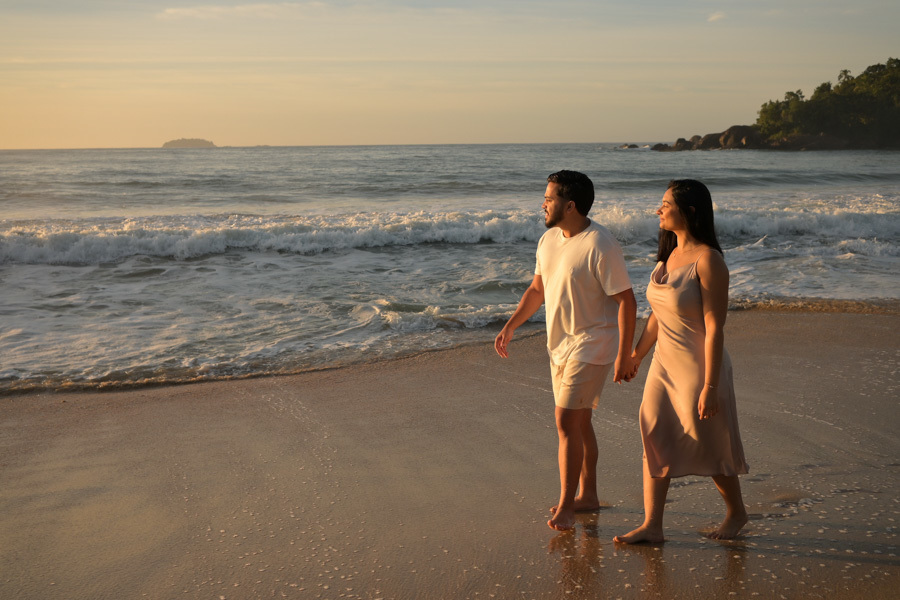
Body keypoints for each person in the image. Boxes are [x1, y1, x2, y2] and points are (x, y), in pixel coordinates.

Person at [495, 170, 637, 532]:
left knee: (565, 421)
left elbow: (626, 301)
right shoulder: (548, 240)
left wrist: (624, 353)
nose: (542, 204)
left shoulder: (600, 243)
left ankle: (566, 507)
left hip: (593, 343)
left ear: (570, 204)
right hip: (559, 344)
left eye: (549, 198)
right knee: (580, 420)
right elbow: (537, 290)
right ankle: (587, 495)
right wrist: (512, 324)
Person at [614, 179, 749, 544]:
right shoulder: (670, 254)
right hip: (664, 363)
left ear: (689, 210)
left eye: (665, 203)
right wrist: (636, 357)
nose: (658, 209)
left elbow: (714, 327)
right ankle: (652, 525)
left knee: (707, 441)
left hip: (699, 366)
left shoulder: (709, 261)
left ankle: (736, 512)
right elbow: (659, 315)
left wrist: (709, 386)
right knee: (653, 432)